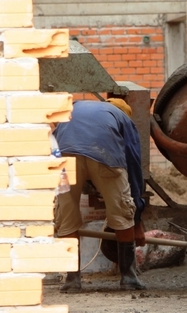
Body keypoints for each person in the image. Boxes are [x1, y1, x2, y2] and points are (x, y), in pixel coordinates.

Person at [53, 98, 146, 293]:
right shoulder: (124, 119)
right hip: (105, 155)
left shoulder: (74, 106)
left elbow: (54, 140)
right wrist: (137, 217)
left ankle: (72, 280)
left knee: (67, 215)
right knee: (122, 212)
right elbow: (133, 163)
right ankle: (128, 277)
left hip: (65, 157)